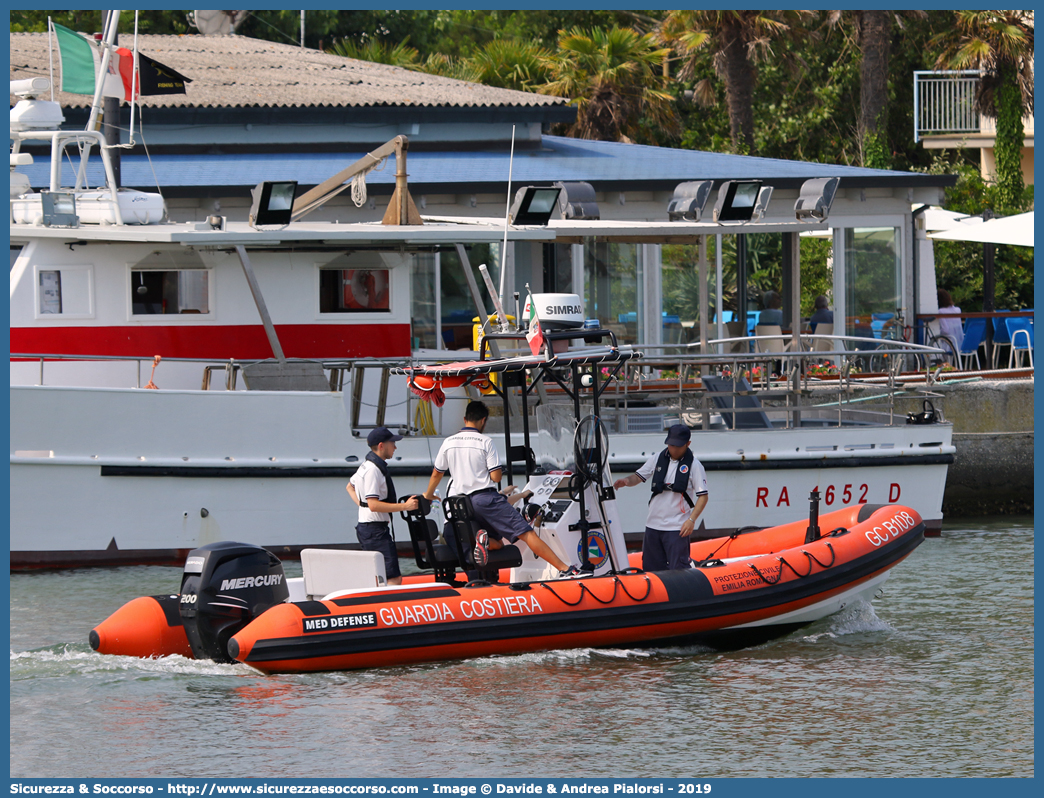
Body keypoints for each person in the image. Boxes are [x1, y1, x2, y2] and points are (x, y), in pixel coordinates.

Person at [423, 400, 583, 578]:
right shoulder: (485, 442)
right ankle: (565, 569)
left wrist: (429, 495)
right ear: (483, 420)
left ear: (464, 418)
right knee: (527, 534)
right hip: (484, 500)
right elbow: (496, 477)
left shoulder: (448, 442)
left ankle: (483, 542)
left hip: (459, 506)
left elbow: (437, 474)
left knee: (497, 542)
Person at [613, 424, 709, 571]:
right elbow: (638, 477)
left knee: (678, 570)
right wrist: (626, 481)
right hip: (653, 526)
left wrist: (691, 520)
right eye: (671, 445)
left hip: (677, 527)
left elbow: (703, 496)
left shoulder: (695, 466)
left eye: (678, 446)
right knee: (651, 569)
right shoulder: (657, 458)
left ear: (688, 444)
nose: (674, 449)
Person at [346, 427, 419, 586]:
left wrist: (362, 505)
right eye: (392, 443)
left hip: (367, 529)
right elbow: (373, 505)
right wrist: (405, 506)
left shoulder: (365, 465)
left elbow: (349, 487)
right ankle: (388, 609)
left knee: (378, 576)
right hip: (375, 530)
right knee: (393, 578)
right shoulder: (373, 470)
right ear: (381, 445)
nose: (395, 447)